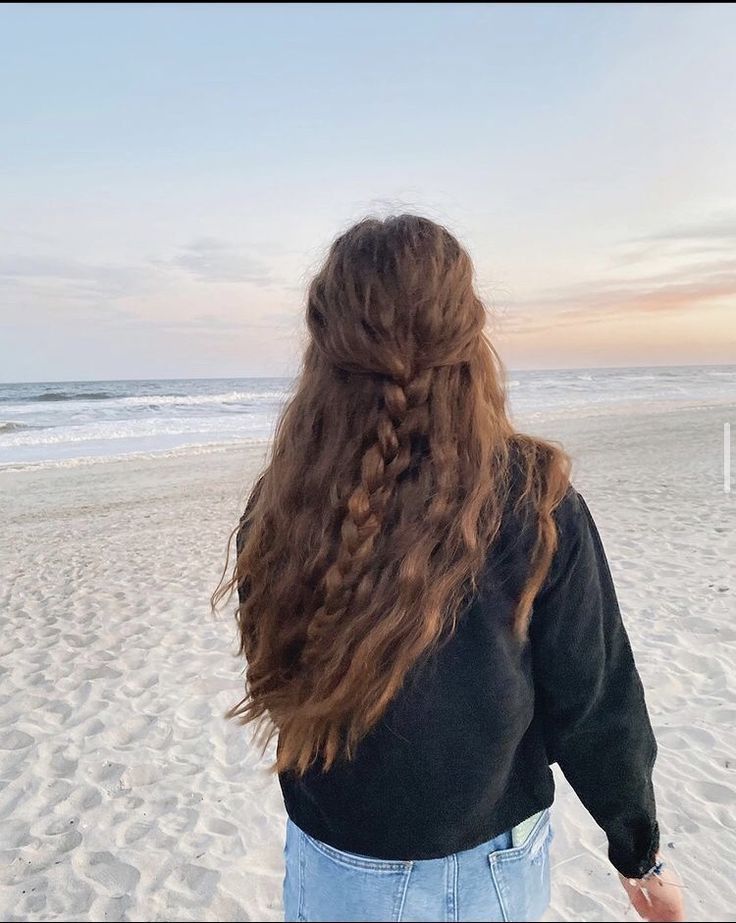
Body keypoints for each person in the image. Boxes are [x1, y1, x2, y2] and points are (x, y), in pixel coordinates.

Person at [213, 215, 685, 923]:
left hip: (338, 862)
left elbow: (276, 669)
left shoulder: (284, 499)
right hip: (487, 860)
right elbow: (593, 698)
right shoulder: (534, 495)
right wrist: (639, 857)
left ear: (326, 342)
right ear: (468, 335)